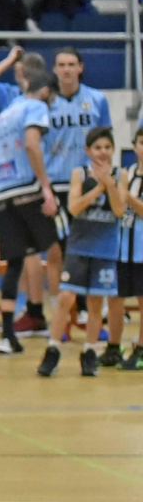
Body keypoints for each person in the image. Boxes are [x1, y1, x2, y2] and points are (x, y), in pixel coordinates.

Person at [38, 127, 125, 377]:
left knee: (96, 303)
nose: (103, 152)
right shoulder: (78, 173)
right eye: (97, 147)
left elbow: (119, 211)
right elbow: (74, 207)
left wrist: (109, 184)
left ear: (113, 150)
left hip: (105, 249)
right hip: (79, 247)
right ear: (87, 151)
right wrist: (98, 188)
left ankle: (89, 352)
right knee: (66, 299)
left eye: (107, 147)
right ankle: (53, 349)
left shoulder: (120, 175)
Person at [0, 47, 53, 335]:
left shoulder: (30, 104)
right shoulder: (13, 101)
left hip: (20, 182)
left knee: (34, 252)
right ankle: (28, 312)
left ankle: (36, 312)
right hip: (20, 180)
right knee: (20, 249)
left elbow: (34, 144)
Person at [115, 132, 143, 369]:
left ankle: (142, 349)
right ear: (134, 146)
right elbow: (117, 208)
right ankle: (114, 346)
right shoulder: (127, 173)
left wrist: (129, 199)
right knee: (116, 298)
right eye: (142, 143)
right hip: (122, 247)